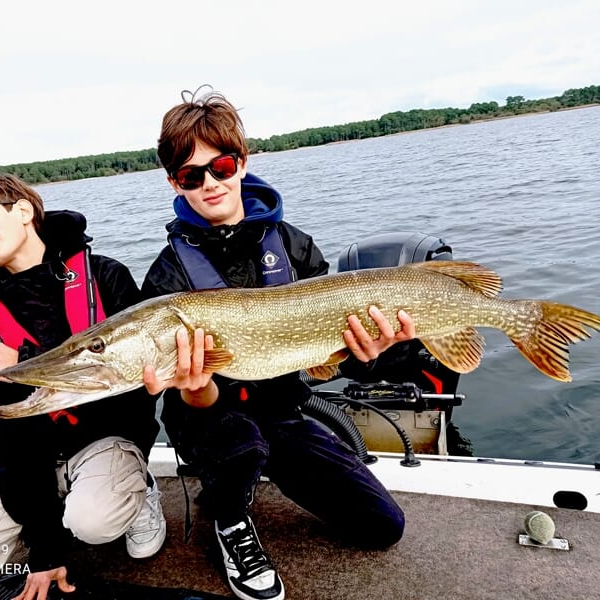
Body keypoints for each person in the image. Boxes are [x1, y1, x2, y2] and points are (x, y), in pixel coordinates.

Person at [141, 87, 415, 600]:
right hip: (209, 421)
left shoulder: (291, 244)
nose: (209, 183)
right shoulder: (168, 274)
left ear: (242, 161)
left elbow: (329, 361)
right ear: (174, 182)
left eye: (220, 165)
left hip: (282, 413)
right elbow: (180, 396)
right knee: (235, 440)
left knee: (382, 527)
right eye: (190, 175)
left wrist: (371, 350)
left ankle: (256, 470)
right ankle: (229, 518)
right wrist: (196, 391)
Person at [0, 174, 166, 600]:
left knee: (93, 523)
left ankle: (140, 490)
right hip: (41, 455)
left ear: (22, 210)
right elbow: (12, 433)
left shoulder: (107, 276)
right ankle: (32, 512)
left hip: (108, 437)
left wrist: (23, 365)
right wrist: (44, 552)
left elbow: (133, 393)